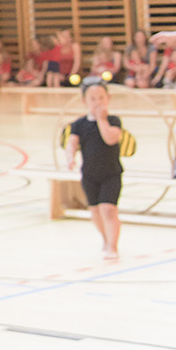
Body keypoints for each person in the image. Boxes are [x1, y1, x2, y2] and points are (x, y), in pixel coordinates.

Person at [65, 77, 123, 261]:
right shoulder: (79, 124)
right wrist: (70, 158)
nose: (97, 102)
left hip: (111, 173)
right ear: (85, 101)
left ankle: (113, 246)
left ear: (108, 99)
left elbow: (110, 139)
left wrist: (101, 120)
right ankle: (105, 239)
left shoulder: (113, 120)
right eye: (92, 99)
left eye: (101, 98)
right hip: (89, 174)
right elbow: (72, 143)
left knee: (108, 209)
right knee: (96, 211)